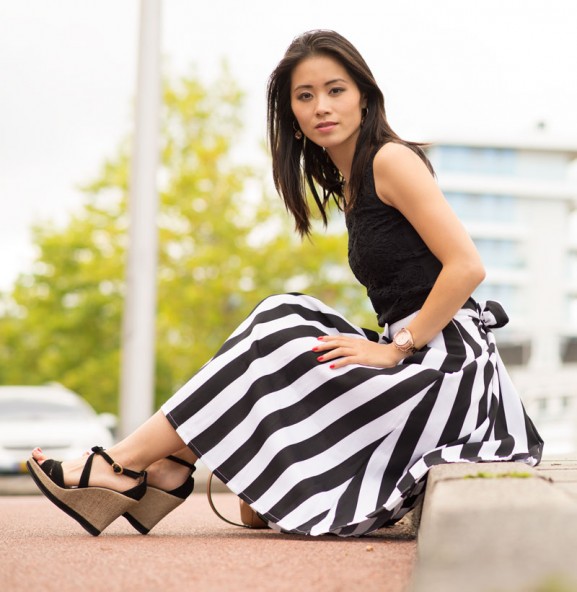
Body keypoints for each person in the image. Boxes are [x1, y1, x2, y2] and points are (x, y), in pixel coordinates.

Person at [27, 29, 543, 538]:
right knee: (288, 317)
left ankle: (128, 463)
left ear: (365, 97)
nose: (322, 105)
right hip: (418, 355)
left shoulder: (390, 160)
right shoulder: (352, 180)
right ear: (292, 115)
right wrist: (388, 346)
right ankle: (169, 464)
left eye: (336, 90)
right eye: (306, 95)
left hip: (449, 369)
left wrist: (395, 348)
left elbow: (467, 266)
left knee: (281, 320)